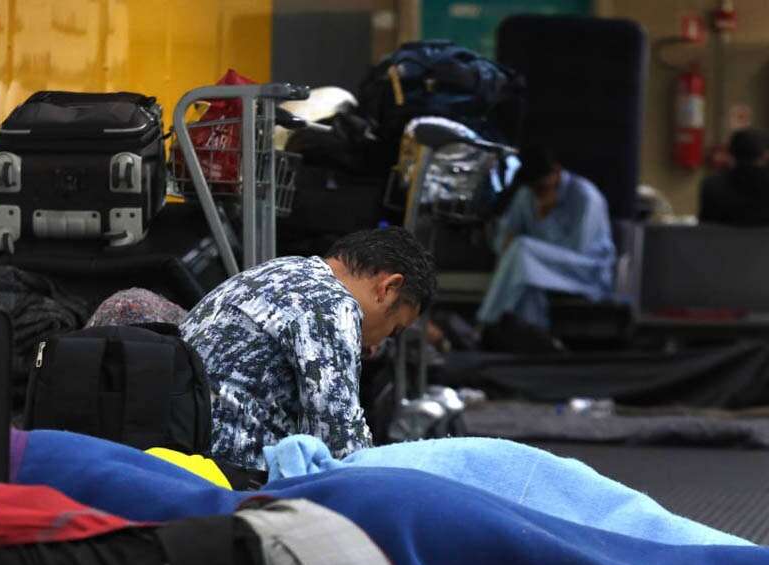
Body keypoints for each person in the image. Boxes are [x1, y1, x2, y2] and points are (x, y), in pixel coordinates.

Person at [180, 227, 435, 470]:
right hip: (234, 470)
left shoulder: (284, 269)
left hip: (186, 444)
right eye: (393, 330)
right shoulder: (331, 305)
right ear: (388, 288)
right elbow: (342, 447)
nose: (376, 345)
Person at [476, 147, 617, 330]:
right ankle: (526, 337)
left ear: (557, 172)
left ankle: (486, 322)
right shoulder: (528, 194)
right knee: (523, 274)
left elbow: (577, 249)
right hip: (536, 266)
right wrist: (505, 244)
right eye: (533, 189)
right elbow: (507, 234)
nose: (537, 195)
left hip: (587, 271)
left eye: (541, 188)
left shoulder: (585, 197)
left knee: (522, 250)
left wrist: (546, 219)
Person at [699, 128, 769, 228]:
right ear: (766, 155)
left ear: (732, 152)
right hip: (767, 246)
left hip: (724, 245)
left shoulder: (711, 188)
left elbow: (705, 233)